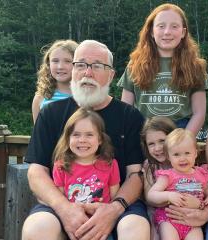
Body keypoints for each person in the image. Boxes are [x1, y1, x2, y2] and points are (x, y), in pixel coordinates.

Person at [22, 40, 150, 240]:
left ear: (111, 75)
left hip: (119, 205)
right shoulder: (51, 114)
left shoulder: (130, 116)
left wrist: (114, 209)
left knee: (135, 229)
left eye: (97, 66)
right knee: (37, 229)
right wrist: (64, 209)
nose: (87, 73)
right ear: (73, 70)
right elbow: (36, 171)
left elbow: (136, 174)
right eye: (80, 65)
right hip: (61, 203)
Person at [117, 3, 208, 136]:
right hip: (143, 131)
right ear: (151, 31)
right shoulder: (135, 65)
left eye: (174, 26)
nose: (167, 32)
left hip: (181, 130)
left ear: (183, 32)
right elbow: (125, 111)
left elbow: (199, 113)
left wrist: (184, 140)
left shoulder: (196, 66)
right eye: (161, 26)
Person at [148, 128, 208, 240]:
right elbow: (152, 194)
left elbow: (206, 190)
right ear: (168, 156)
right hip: (170, 219)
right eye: (176, 154)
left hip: (193, 221)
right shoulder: (168, 175)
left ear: (195, 153)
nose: (182, 158)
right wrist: (168, 195)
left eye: (187, 153)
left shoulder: (200, 173)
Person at [52, 108, 120, 206]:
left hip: (102, 218)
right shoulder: (61, 166)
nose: (82, 140)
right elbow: (61, 204)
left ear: (100, 139)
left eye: (89, 135)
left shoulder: (110, 164)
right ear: (68, 139)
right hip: (72, 219)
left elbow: (115, 201)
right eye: (76, 135)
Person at [141, 116, 177, 240]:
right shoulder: (150, 166)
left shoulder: (182, 162)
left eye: (162, 141)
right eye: (151, 144)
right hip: (157, 214)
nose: (157, 148)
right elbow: (150, 199)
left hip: (182, 213)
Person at [32, 39, 78, 123]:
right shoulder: (40, 98)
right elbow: (38, 134)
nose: (60, 66)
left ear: (78, 64)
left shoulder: (87, 97)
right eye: (55, 61)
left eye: (67, 61)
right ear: (48, 64)